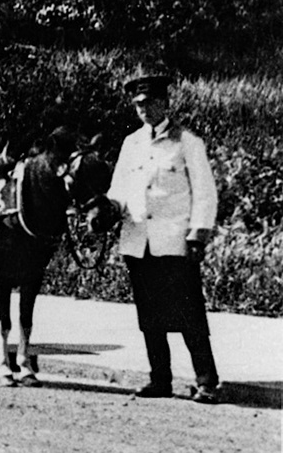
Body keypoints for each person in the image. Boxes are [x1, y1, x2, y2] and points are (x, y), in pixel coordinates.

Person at [104, 73, 220, 404]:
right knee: (149, 316)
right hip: (138, 241)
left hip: (174, 242)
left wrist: (198, 235)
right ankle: (160, 379)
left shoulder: (188, 142)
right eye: (138, 104)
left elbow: (205, 194)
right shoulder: (131, 143)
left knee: (189, 314)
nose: (144, 109)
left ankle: (207, 381)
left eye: (150, 103)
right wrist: (107, 210)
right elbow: (119, 190)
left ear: (165, 103)